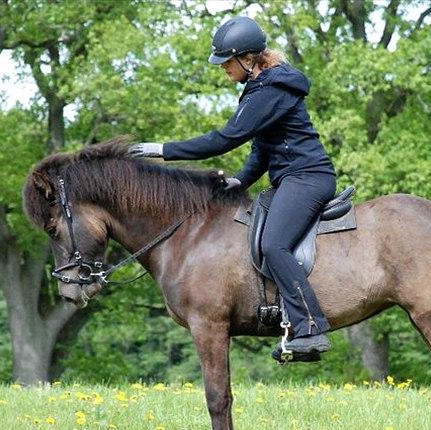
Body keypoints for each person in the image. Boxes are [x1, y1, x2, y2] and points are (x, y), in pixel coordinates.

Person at [129, 16, 337, 359]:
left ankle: (310, 327)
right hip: (290, 178)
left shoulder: (271, 90)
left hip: (308, 178)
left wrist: (162, 150)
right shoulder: (261, 89)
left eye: (227, 61)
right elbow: (262, 151)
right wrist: (240, 181)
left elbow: (226, 139)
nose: (224, 68)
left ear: (248, 58)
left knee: (273, 244)